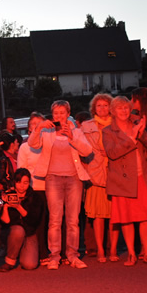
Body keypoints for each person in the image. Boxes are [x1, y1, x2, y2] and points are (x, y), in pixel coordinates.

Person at [27, 100, 93, 270]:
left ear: (68, 114)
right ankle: (54, 256)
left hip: (74, 178)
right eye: (56, 113)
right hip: (53, 178)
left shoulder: (76, 131)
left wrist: (72, 137)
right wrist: (39, 128)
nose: (59, 116)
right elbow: (32, 144)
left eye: (62, 113)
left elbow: (87, 151)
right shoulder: (47, 132)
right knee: (55, 220)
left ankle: (73, 255)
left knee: (73, 220)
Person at [102, 96, 147, 266]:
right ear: (113, 111)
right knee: (127, 217)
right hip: (123, 180)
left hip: (145, 177)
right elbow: (112, 153)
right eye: (119, 108)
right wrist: (131, 138)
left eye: (126, 108)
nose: (123, 111)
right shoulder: (108, 131)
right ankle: (131, 253)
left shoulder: (138, 125)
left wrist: (141, 133)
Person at [80, 93, 119, 262]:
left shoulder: (118, 124)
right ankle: (101, 250)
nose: (102, 108)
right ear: (93, 108)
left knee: (114, 215)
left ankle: (113, 249)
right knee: (98, 215)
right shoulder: (86, 126)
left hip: (115, 173)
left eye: (105, 105)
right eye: (99, 105)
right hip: (94, 173)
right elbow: (80, 148)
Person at [17, 112, 50, 264]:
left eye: (40, 124)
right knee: (39, 223)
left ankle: (56, 252)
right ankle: (41, 253)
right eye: (34, 124)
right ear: (29, 128)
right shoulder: (25, 147)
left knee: (52, 222)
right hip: (34, 189)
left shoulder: (49, 144)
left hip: (51, 187)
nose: (38, 127)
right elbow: (22, 170)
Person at [0, 168, 44, 271]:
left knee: (29, 265)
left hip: (29, 233)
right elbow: (4, 223)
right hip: (13, 234)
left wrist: (18, 207)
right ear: (14, 182)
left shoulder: (35, 197)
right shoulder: (9, 195)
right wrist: (5, 207)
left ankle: (20, 252)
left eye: (25, 182)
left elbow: (33, 220)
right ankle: (10, 261)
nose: (22, 186)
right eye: (19, 182)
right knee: (18, 231)